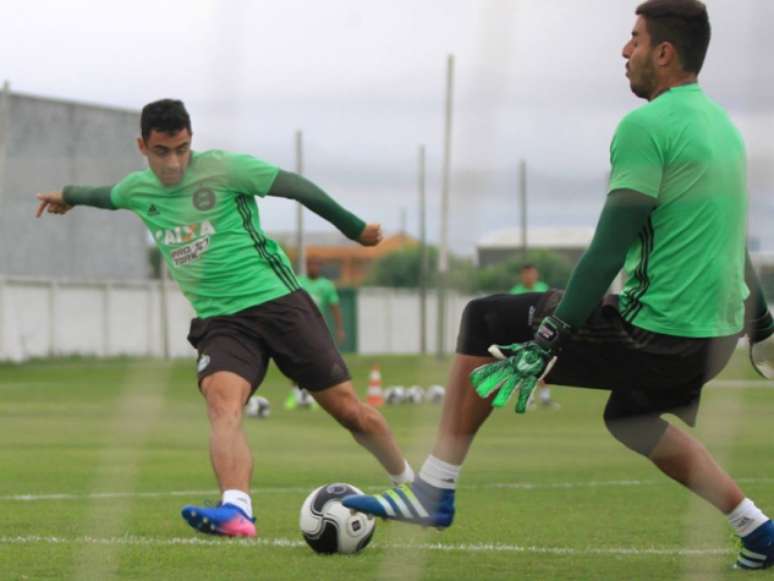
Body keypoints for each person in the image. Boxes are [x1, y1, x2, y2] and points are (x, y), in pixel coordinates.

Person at [344, 0, 774, 570]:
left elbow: (605, 249)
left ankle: (433, 489)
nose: (625, 51)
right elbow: (729, 240)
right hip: (715, 340)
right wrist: (763, 323)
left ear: (665, 53)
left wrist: (551, 333)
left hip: (659, 336)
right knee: (632, 420)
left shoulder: (647, 126)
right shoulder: (722, 128)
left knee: (485, 318)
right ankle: (760, 530)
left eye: (636, 39)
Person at [35, 99, 415, 538]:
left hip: (279, 303)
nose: (174, 161)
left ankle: (409, 488)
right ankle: (237, 508)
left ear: (191, 139)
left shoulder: (226, 168)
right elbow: (102, 196)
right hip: (222, 322)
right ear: (142, 146)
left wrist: (353, 229)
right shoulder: (137, 189)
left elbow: (295, 187)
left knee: (351, 412)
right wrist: (65, 197)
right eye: (162, 151)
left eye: (181, 148)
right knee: (222, 402)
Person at [285, 256, 346, 410]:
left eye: (316, 265)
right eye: (311, 264)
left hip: (317, 329)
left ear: (320, 266)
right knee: (295, 362)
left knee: (319, 363)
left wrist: (339, 328)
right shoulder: (298, 281)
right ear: (307, 266)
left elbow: (334, 307)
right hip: (299, 328)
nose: (313, 267)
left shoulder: (326, 285)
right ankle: (295, 395)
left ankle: (315, 398)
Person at [509, 264, 557, 409]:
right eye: (526, 274)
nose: (529, 276)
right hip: (523, 332)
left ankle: (545, 398)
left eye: (532, 273)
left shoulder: (543, 289)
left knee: (544, 364)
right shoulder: (516, 292)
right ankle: (526, 398)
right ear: (522, 276)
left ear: (536, 275)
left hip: (541, 333)